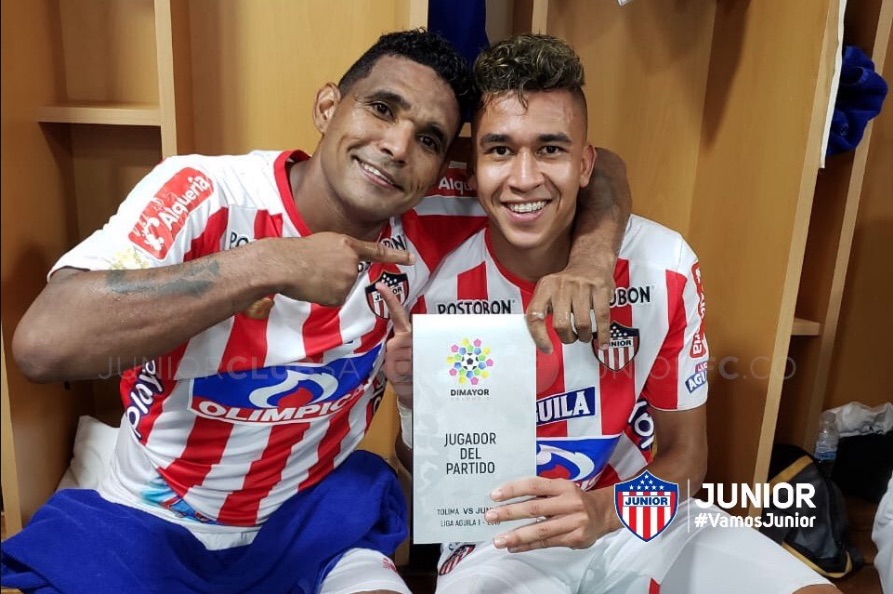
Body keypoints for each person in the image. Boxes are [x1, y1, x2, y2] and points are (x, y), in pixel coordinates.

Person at [1, 29, 630, 594]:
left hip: (314, 521)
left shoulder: (424, 214)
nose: (396, 145)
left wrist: (592, 259)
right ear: (328, 107)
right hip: (154, 521)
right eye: (382, 108)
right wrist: (271, 263)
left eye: (429, 140)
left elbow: (597, 169)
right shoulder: (205, 193)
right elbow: (43, 344)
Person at [379, 33, 842, 594]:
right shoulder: (431, 275)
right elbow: (423, 470)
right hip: (500, 539)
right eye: (500, 149)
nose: (524, 178)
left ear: (586, 164)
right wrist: (410, 405)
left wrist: (603, 511)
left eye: (550, 149)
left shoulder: (664, 266)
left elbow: (687, 458)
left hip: (637, 515)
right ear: (472, 166)